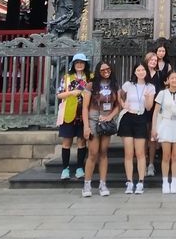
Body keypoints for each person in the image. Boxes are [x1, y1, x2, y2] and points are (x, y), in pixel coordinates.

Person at [81, 61, 120, 198]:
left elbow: (117, 105)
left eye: (108, 69)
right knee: (93, 153)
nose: (106, 71)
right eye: (103, 70)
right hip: (93, 120)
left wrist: (110, 117)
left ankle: (103, 183)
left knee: (103, 152)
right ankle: (87, 183)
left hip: (106, 120)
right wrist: (86, 126)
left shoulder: (114, 85)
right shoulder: (91, 85)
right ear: (98, 71)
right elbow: (84, 108)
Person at [118, 61, 156, 195]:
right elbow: (119, 94)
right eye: (138, 70)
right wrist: (123, 104)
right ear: (135, 72)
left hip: (141, 118)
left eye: (143, 70)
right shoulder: (128, 85)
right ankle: (129, 182)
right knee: (128, 153)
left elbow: (149, 107)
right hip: (128, 118)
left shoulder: (150, 87)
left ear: (146, 71)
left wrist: (146, 98)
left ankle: (140, 181)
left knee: (140, 153)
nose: (141, 72)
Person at [151, 70, 176, 194]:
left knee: (175, 156)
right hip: (166, 125)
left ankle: (173, 181)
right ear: (167, 80)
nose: (174, 80)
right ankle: (165, 181)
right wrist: (154, 128)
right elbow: (156, 112)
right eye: (172, 78)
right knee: (166, 155)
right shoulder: (162, 93)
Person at [55, 53, 91, 180]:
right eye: (77, 62)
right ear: (73, 65)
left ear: (85, 64)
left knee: (82, 142)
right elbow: (59, 95)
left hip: (84, 114)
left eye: (82, 62)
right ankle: (65, 168)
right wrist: (71, 92)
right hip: (69, 113)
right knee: (67, 142)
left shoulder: (90, 77)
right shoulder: (67, 78)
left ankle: (80, 167)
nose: (80, 65)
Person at [144, 51, 164, 176]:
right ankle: (143, 162)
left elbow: (162, 90)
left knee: (152, 137)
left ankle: (151, 164)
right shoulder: (141, 72)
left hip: (155, 108)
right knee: (143, 137)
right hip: (141, 109)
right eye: (151, 60)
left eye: (155, 60)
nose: (153, 62)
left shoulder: (159, 74)